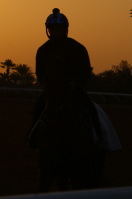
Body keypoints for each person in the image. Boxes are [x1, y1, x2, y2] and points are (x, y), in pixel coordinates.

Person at [31, 8, 101, 145]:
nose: (54, 32)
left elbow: (86, 71)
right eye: (52, 29)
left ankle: (98, 136)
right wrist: (47, 85)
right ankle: (32, 134)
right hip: (52, 91)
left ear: (65, 30)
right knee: (39, 106)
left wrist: (74, 84)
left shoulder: (77, 48)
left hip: (74, 90)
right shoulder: (43, 50)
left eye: (58, 29)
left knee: (90, 108)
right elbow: (39, 72)